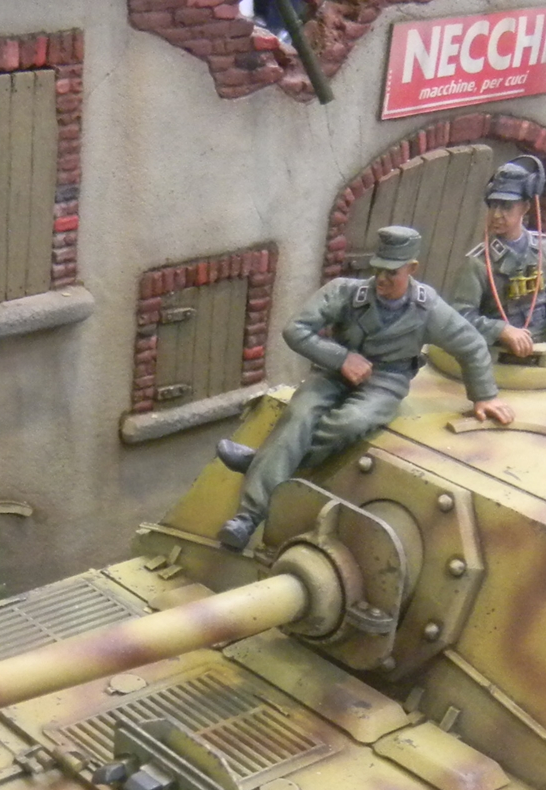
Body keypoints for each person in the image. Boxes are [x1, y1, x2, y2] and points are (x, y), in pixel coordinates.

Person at [216, 225, 508, 552]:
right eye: (378, 270)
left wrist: (484, 396)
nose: (381, 279)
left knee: (349, 423)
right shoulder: (346, 292)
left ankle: (264, 462)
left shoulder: (428, 308)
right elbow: (295, 330)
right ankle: (247, 517)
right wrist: (341, 358)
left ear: (412, 268)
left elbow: (471, 344)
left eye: (392, 272)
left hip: (386, 381)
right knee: (299, 414)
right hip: (334, 372)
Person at [448, 156, 546, 357]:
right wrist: (501, 330)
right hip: (502, 355)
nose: (496, 214)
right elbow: (461, 315)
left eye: (506, 206)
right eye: (493, 205)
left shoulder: (544, 247)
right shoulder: (478, 263)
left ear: (525, 207)